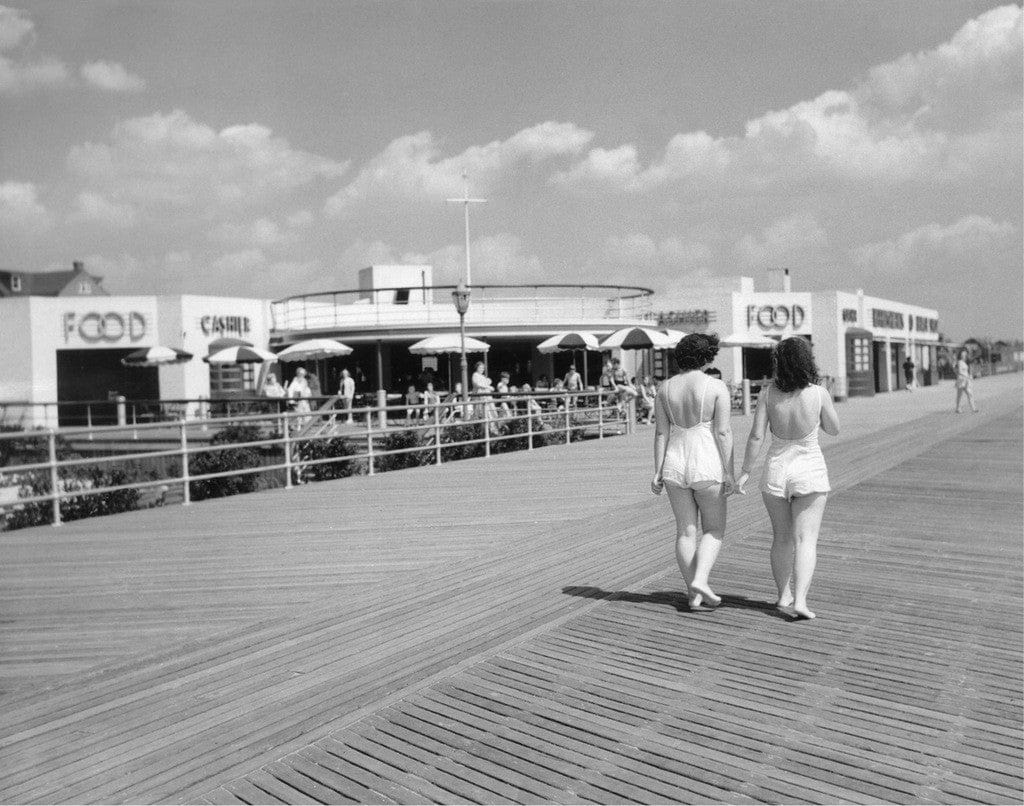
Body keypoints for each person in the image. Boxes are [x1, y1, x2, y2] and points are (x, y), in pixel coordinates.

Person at [736, 337, 840, 620]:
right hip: (809, 469)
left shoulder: (768, 394)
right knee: (806, 540)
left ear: (779, 362)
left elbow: (757, 435)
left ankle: (783, 594)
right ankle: (801, 601)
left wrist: (745, 471)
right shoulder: (819, 393)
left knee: (781, 539)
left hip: (776, 470)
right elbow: (834, 428)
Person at [652, 334, 735, 610]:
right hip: (706, 459)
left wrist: (657, 470)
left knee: (685, 532)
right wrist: (730, 471)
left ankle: (693, 593)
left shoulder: (664, 389)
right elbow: (722, 432)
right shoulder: (716, 386)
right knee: (714, 529)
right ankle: (701, 580)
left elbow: (661, 432)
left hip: (675, 462)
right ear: (707, 356)